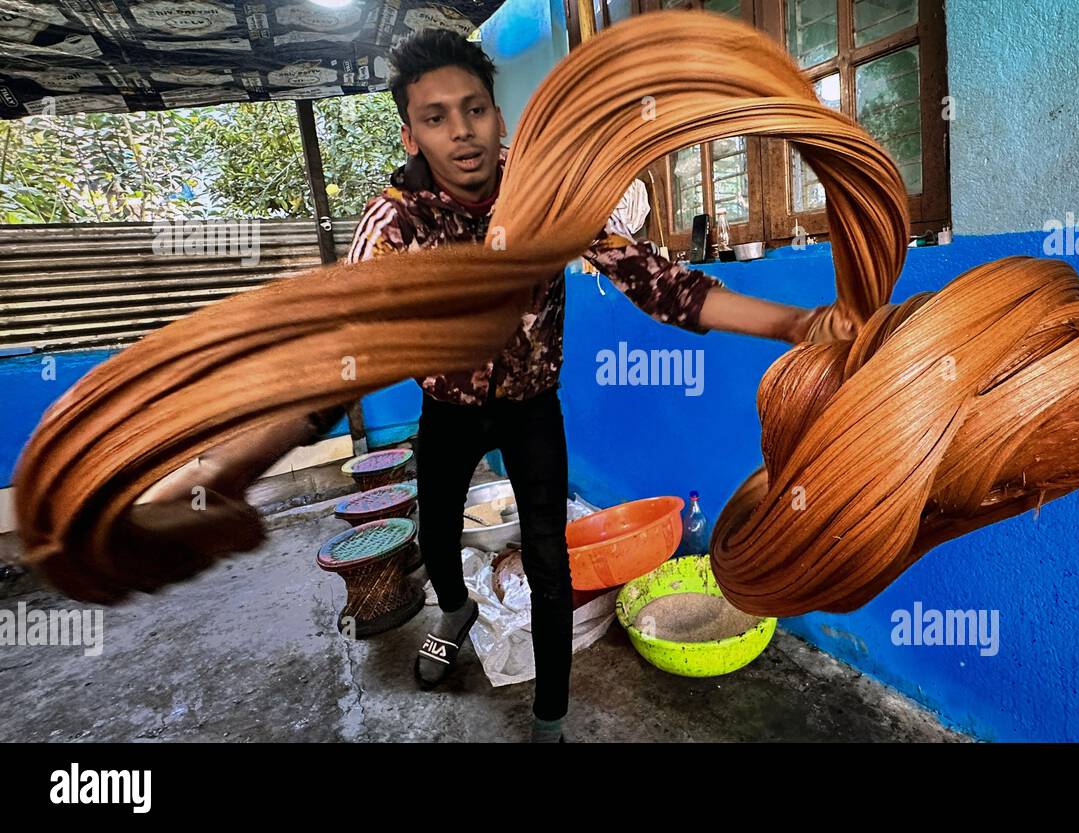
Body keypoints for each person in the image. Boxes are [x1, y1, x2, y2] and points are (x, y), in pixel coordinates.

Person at [122, 28, 819, 744]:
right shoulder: (394, 221)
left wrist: (799, 322)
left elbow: (663, 287)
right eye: (436, 117)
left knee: (551, 560)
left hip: (530, 408)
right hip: (448, 409)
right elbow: (347, 350)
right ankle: (453, 611)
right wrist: (229, 465)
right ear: (410, 136)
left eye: (474, 108)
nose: (461, 132)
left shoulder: (546, 197)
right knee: (436, 533)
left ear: (498, 114)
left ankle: (549, 719)